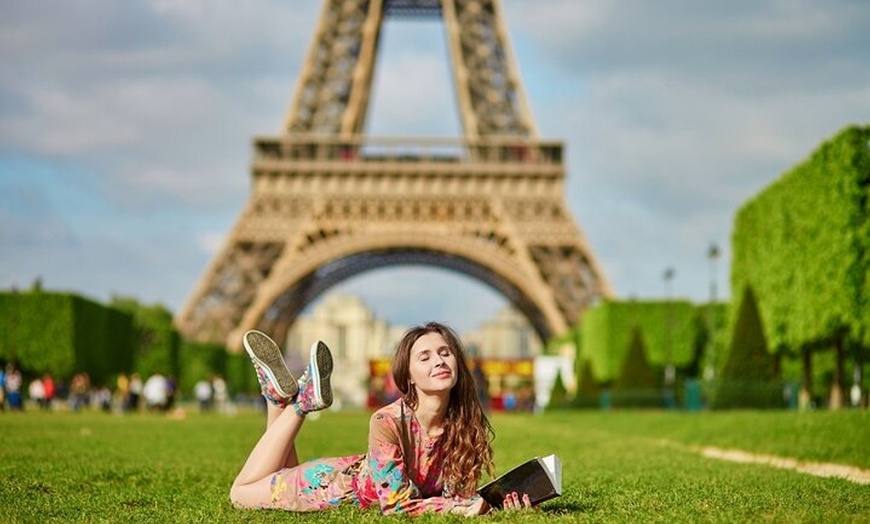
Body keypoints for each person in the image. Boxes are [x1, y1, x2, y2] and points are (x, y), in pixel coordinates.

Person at [229, 322, 533, 516]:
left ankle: (276, 398)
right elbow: (396, 505)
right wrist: (463, 510)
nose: (439, 360)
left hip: (341, 475)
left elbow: (457, 497)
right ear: (409, 376)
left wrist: (497, 503)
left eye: (445, 352)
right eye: (425, 357)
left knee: (278, 470)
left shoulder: (465, 423)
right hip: (325, 488)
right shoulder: (387, 420)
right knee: (239, 494)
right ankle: (300, 405)